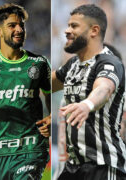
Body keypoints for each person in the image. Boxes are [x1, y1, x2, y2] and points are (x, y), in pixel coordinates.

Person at [0, 3, 51, 180]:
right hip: (0, 152)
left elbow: (49, 95)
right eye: (12, 25)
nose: (19, 30)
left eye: (21, 25)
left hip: (29, 150)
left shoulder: (39, 63)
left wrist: (50, 118)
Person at [52, 4, 126, 180]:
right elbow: (46, 83)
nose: (67, 31)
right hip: (74, 167)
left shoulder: (109, 62)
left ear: (94, 30)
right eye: (68, 25)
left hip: (103, 166)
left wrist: (88, 104)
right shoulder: (73, 65)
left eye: (74, 26)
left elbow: (104, 88)